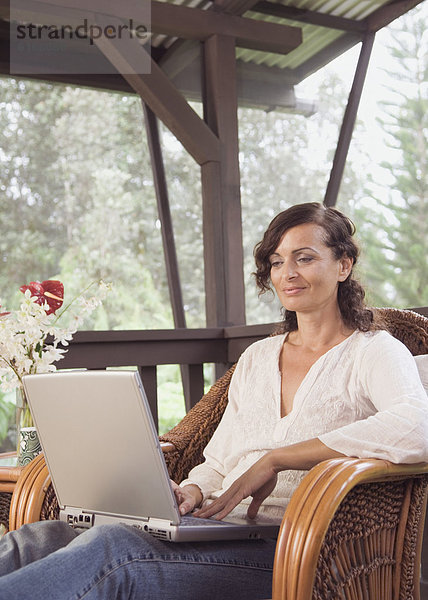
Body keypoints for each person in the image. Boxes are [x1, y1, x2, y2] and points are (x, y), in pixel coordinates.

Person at [0, 202, 426, 600]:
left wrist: (277, 459)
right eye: (277, 261)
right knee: (38, 537)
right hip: (216, 525)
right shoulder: (258, 357)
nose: (288, 272)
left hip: (295, 545)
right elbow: (220, 461)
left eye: (305, 257)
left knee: (114, 550)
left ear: (343, 265)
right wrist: (190, 490)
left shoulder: (374, 351)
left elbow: (416, 425)